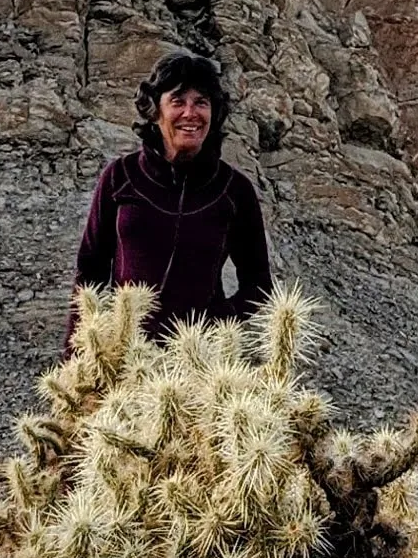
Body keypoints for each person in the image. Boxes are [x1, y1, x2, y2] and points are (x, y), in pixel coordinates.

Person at [68, 50, 273, 348]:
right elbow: (90, 270)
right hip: (125, 356)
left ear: (214, 113)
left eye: (201, 102)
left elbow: (258, 285)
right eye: (177, 102)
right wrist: (76, 358)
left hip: (201, 362)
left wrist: (215, 324)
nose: (190, 113)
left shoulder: (234, 189)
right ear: (155, 111)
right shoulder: (121, 176)